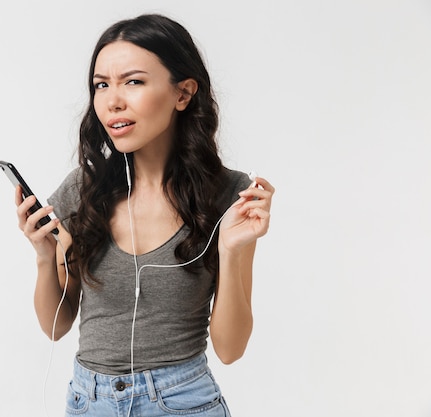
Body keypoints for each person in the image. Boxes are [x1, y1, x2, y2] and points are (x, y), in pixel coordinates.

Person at [15, 13, 274, 417]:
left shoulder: (229, 195)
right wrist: (45, 257)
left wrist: (234, 249)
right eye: (102, 85)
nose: (112, 100)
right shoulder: (84, 189)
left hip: (182, 401)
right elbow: (56, 326)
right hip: (89, 402)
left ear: (183, 93)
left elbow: (230, 349)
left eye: (133, 81)